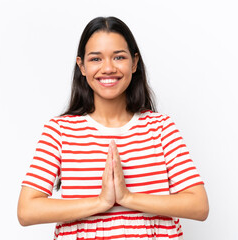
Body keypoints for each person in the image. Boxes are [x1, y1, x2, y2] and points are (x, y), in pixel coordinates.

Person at [17, 16, 209, 240]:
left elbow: (199, 205)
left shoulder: (161, 128)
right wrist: (101, 202)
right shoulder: (60, 131)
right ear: (82, 66)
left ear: (134, 62)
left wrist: (127, 197)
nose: (108, 68)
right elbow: (26, 211)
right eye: (96, 59)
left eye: (119, 57)